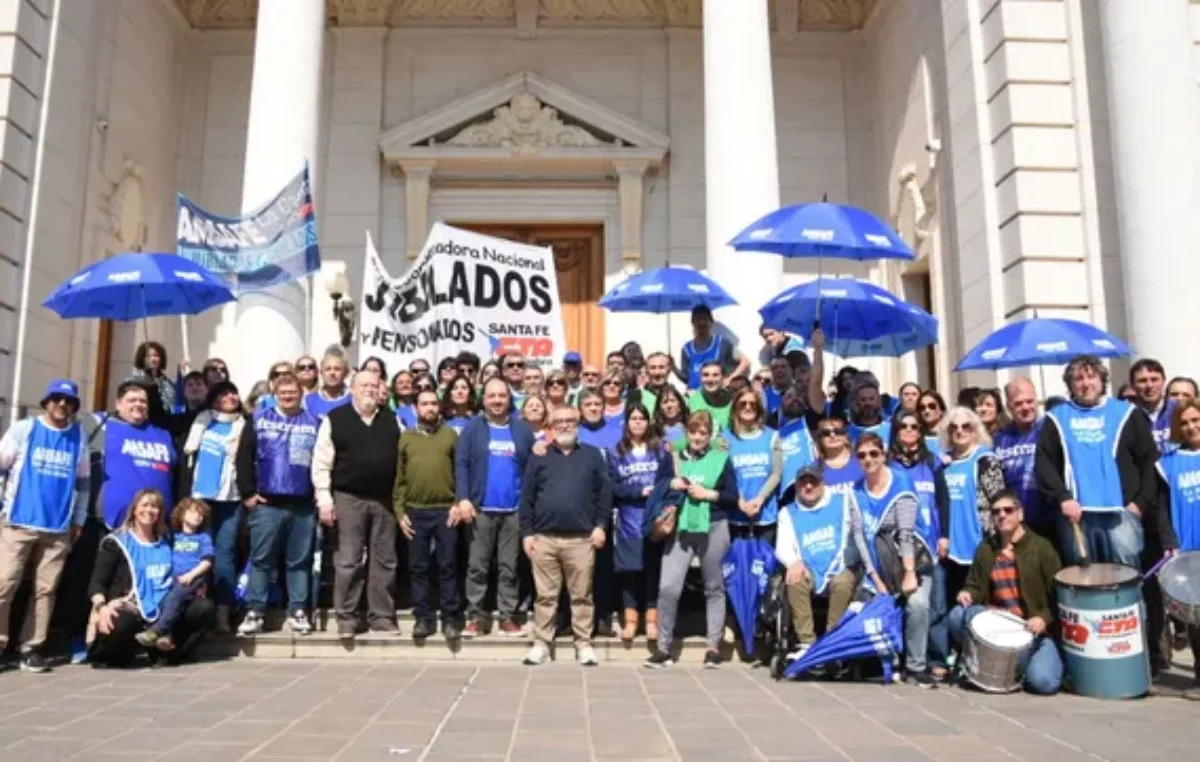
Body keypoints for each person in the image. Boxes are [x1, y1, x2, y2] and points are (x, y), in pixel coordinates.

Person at [1036, 354, 1159, 568]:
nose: (1086, 383)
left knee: (1127, 576)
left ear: (1102, 380)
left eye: (1091, 377)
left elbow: (1149, 461)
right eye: (1079, 379)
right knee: (1084, 578)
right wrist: (1062, 498)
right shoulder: (1056, 418)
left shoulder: (1127, 413)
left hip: (1121, 512)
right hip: (1076, 515)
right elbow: (1044, 464)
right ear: (1070, 385)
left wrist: (1139, 503)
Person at [0, 379, 89, 672]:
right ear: (47, 401)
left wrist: (78, 519)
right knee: (4, 583)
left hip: (58, 527)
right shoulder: (25, 429)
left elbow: (84, 483)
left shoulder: (79, 436)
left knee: (45, 590)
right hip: (18, 521)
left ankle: (32, 646)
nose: (62, 405)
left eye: (68, 401)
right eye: (57, 399)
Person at [519, 405, 611, 666]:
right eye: (559, 421)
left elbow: (603, 495)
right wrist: (527, 533)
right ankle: (541, 644)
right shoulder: (540, 455)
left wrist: (600, 526)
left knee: (582, 595)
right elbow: (527, 498)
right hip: (544, 538)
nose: (564, 425)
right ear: (551, 425)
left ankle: (583, 643)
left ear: (578, 423)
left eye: (570, 420)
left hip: (582, 538)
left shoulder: (592, 456)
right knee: (545, 596)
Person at [646, 411, 739, 669]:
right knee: (668, 587)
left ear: (710, 436)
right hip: (680, 526)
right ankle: (663, 649)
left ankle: (713, 647)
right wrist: (672, 483)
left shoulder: (721, 458)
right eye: (693, 432)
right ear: (686, 433)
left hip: (713, 524)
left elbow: (732, 496)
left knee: (714, 587)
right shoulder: (673, 456)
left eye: (703, 433)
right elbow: (658, 486)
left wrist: (708, 494)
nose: (697, 437)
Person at [312, 369, 400, 639]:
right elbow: (321, 462)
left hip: (384, 501)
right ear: (353, 388)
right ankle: (347, 618)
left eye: (375, 385)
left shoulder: (392, 420)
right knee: (348, 560)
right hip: (348, 498)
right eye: (364, 385)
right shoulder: (335, 419)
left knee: (385, 561)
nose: (370, 390)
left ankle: (382, 617)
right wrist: (324, 498)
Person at [949, 491, 1064, 695]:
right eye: (996, 512)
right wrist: (968, 593)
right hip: (997, 622)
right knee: (958, 615)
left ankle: (1015, 669)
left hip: (1030, 629)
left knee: (1044, 683)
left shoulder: (1042, 548)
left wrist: (1043, 619)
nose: (1002, 515)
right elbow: (974, 585)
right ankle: (978, 664)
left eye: (1008, 510)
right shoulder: (986, 548)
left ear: (1020, 514)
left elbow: (1059, 595)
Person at [235, 372, 321, 636]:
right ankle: (255, 612)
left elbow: (322, 461)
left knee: (299, 561)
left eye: (292, 392)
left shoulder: (316, 422)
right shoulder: (259, 418)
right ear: (274, 393)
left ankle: (297, 611)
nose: (287, 396)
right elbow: (243, 456)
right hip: (267, 503)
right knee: (261, 559)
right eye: (282, 392)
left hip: (303, 504)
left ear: (301, 393)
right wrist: (248, 493)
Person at [87, 490, 214, 666]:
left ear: (160, 513)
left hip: (164, 604)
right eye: (144, 505)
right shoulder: (116, 542)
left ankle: (168, 653)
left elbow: (194, 561)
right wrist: (101, 607)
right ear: (134, 509)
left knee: (203, 608)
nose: (149, 510)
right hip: (132, 606)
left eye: (154, 506)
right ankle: (123, 653)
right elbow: (97, 583)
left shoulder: (168, 540)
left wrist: (197, 582)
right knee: (118, 625)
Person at [853, 433, 935, 687]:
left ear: (883, 453)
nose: (869, 459)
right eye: (863, 455)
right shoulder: (856, 490)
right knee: (864, 603)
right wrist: (875, 578)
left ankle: (916, 666)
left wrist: (909, 572)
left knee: (917, 604)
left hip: (912, 562)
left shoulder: (901, 482)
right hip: (878, 565)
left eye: (874, 453)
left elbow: (906, 532)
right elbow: (859, 538)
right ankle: (881, 662)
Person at [776, 464, 883, 658]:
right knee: (794, 579)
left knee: (842, 583)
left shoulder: (843, 502)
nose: (808, 487)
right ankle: (806, 642)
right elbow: (783, 546)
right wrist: (793, 562)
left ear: (822, 483)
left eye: (813, 482)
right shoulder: (788, 512)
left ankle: (833, 638)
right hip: (807, 565)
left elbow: (857, 534)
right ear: (797, 486)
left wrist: (848, 560)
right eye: (803, 483)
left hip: (843, 563)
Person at [457, 377, 536, 637]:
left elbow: (532, 468)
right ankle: (475, 618)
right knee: (477, 566)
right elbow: (462, 465)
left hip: (513, 511)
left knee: (509, 568)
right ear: (484, 399)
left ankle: (507, 617)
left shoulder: (522, 429)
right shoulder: (473, 428)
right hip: (480, 510)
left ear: (508, 398)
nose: (497, 401)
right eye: (491, 396)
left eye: (501, 396)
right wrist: (464, 498)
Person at [395, 388, 463, 641]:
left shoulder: (450, 436)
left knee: (448, 566)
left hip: (446, 510)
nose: (430, 408)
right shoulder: (406, 438)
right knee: (418, 568)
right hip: (415, 510)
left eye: (434, 403)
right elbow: (399, 479)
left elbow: (460, 473)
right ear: (416, 408)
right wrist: (400, 511)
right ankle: (422, 618)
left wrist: (458, 502)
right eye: (424, 404)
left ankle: (450, 618)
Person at [888, 408, 951, 679]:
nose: (910, 431)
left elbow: (943, 500)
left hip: (929, 544)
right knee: (906, 604)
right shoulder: (889, 464)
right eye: (904, 426)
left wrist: (944, 535)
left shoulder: (932, 462)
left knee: (934, 605)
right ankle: (904, 657)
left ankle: (935, 657)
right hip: (897, 546)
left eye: (915, 427)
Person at [179, 380, 245, 634]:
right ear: (214, 398)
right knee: (197, 552)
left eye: (233, 392)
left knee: (225, 555)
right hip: (200, 498)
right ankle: (196, 607)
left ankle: (222, 612)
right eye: (224, 393)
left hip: (230, 498)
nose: (230, 396)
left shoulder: (244, 426)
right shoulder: (202, 422)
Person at [607, 403, 672, 642]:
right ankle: (631, 620)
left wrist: (656, 494)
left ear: (648, 422)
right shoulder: (616, 452)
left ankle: (652, 620)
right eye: (633, 418)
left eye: (641, 419)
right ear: (626, 423)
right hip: (627, 520)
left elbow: (668, 481)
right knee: (629, 573)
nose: (637, 423)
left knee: (652, 571)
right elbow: (612, 485)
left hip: (654, 520)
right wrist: (637, 491)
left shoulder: (660, 450)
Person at [939, 406, 1006, 615]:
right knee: (955, 603)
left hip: (979, 544)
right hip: (951, 549)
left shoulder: (985, 459)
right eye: (954, 427)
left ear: (975, 430)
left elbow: (999, 501)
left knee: (980, 603)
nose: (960, 431)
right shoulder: (944, 463)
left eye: (966, 426)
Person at [1155, 399, 1200, 697]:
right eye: (1184, 423)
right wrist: (1169, 542)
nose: (1191, 427)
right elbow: (1159, 509)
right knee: (1197, 621)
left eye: (1196, 420)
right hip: (1189, 550)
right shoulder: (1169, 462)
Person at [97, 380, 177, 529]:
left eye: (142, 401)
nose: (138, 404)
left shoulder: (163, 434)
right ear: (118, 404)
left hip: (156, 524)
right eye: (132, 400)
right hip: (114, 523)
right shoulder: (103, 426)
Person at [135, 497, 213, 651]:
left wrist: (191, 575)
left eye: (201, 514)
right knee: (168, 601)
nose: (198, 516)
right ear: (182, 515)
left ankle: (156, 631)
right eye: (193, 512)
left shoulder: (203, 538)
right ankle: (167, 636)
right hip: (173, 579)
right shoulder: (173, 537)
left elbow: (207, 561)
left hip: (192, 579)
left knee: (175, 598)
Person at [994, 379, 1050, 541]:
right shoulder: (1001, 438)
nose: (1025, 407)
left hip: (1049, 516)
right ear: (1009, 406)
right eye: (1018, 404)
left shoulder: (1049, 430)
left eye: (1029, 401)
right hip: (1015, 521)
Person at [725, 389, 782, 539]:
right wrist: (740, 501)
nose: (748, 407)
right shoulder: (724, 438)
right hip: (736, 514)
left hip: (765, 513)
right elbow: (723, 475)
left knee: (764, 562)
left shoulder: (772, 436)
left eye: (753, 404)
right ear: (735, 407)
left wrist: (760, 498)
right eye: (743, 403)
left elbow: (777, 473)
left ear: (759, 409)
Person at [675, 305, 748, 391]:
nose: (702, 322)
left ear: (711, 322)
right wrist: (673, 368)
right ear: (692, 322)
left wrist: (730, 378)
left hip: (717, 396)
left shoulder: (722, 343)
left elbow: (745, 362)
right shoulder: (686, 349)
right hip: (694, 397)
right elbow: (686, 378)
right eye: (698, 319)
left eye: (705, 319)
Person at [1130, 359, 1175, 453]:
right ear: (1133, 385)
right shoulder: (1125, 416)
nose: (1149, 385)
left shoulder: (1179, 411)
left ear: (1163, 381)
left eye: (1154, 379)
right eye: (1142, 381)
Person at [814, 417, 864, 494]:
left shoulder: (862, 460)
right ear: (820, 440)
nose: (832, 435)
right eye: (826, 433)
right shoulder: (814, 469)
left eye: (838, 431)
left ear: (846, 437)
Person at [130, 341, 177, 413]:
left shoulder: (167, 382)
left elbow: (172, 404)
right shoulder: (135, 380)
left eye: (156, 355)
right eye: (148, 356)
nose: (153, 359)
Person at [687, 361, 733, 431]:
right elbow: (674, 428)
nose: (710, 379)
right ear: (700, 377)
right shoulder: (689, 400)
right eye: (706, 375)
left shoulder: (733, 400)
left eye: (715, 375)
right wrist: (681, 442)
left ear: (723, 377)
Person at [305, 353, 352, 418]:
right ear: (321, 373)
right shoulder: (308, 401)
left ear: (346, 373)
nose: (332, 373)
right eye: (328, 369)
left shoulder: (354, 400)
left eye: (337, 369)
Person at [639, 352, 674, 416]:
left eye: (661, 367)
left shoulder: (678, 397)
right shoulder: (638, 397)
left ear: (669, 370)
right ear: (647, 371)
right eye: (653, 368)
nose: (657, 372)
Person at [918, 390, 947, 457]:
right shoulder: (917, 436)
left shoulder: (951, 434)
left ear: (941, 410)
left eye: (932, 406)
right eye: (922, 407)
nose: (926, 411)